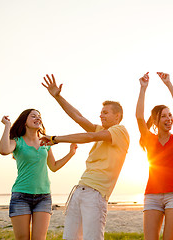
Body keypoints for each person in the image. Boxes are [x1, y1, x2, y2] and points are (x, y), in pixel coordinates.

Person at [41, 74, 130, 240]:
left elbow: (89, 137)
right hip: (80, 190)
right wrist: (58, 97)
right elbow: (78, 116)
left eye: (105, 113)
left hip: (96, 194)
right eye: (100, 113)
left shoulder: (120, 131)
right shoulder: (99, 130)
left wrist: (55, 139)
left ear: (117, 116)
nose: (101, 115)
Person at [0, 109, 77, 240]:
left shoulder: (45, 142)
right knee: (22, 238)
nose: (38, 118)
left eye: (39, 116)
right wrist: (7, 126)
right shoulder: (17, 141)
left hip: (43, 197)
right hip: (21, 196)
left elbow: (54, 166)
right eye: (33, 116)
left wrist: (70, 154)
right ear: (24, 122)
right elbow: (4, 150)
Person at [136, 72, 173, 240]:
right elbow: (139, 117)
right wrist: (143, 88)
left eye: (169, 115)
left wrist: (169, 84)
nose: (169, 118)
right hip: (152, 194)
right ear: (156, 121)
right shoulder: (149, 139)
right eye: (163, 116)